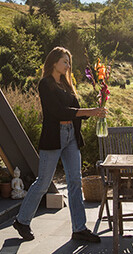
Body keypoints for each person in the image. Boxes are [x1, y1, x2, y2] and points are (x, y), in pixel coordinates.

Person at [13, 47, 106, 243]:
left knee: (75, 181)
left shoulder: (66, 85)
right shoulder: (45, 84)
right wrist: (89, 111)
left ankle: (79, 228)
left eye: (69, 62)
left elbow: (76, 111)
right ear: (54, 62)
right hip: (54, 137)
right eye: (65, 61)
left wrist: (94, 112)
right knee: (43, 182)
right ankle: (22, 220)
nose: (68, 65)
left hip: (71, 135)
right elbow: (58, 111)